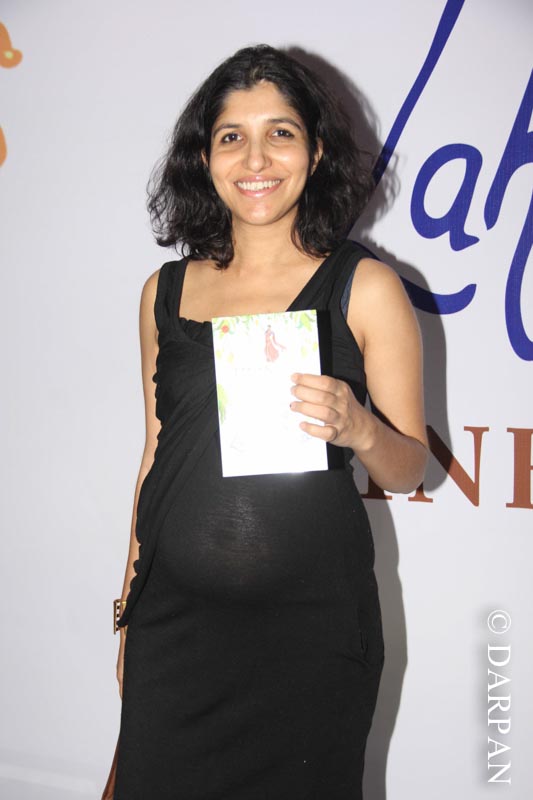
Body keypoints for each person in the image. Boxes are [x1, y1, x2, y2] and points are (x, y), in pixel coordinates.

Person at [112, 44, 428, 800]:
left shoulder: (365, 287)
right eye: (232, 136)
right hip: (175, 630)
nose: (255, 159)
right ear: (205, 157)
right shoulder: (163, 292)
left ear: (315, 153)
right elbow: (155, 458)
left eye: (280, 133)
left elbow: (410, 467)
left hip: (311, 638)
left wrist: (359, 428)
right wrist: (127, 611)